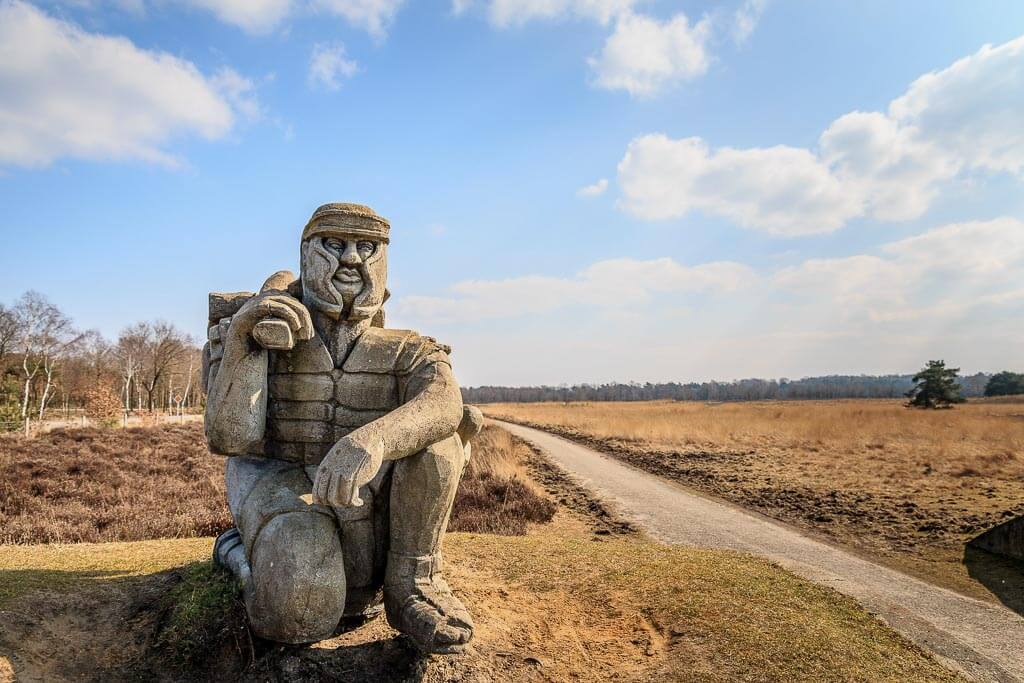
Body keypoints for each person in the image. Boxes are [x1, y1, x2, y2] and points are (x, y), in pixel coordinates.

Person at [204, 203, 480, 654]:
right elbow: (231, 439)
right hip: (279, 475)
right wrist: (241, 341)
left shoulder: (409, 349)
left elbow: (444, 402)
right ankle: (237, 554)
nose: (351, 259)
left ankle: (415, 581)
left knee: (439, 443)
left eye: (367, 247)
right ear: (305, 255)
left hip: (368, 479)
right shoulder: (261, 329)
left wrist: (372, 439)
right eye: (334, 245)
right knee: (299, 615)